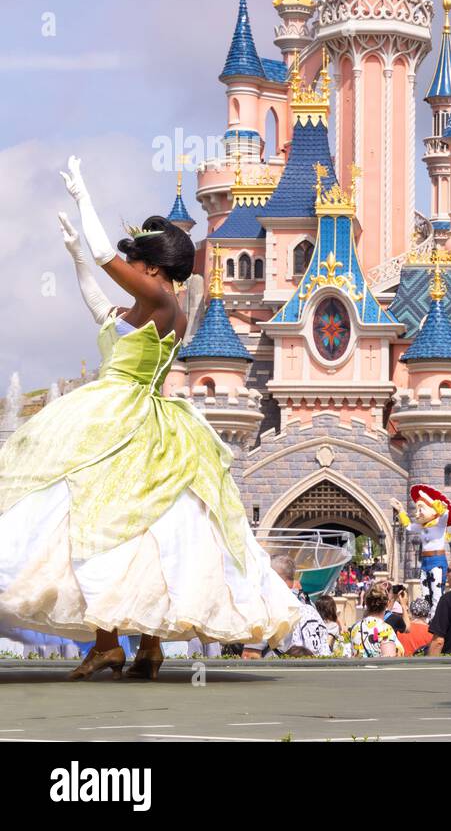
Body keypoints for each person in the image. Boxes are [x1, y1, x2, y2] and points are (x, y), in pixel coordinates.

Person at [0, 158, 302, 681]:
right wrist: (73, 258)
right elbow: (101, 310)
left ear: (155, 270)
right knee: (147, 532)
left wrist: (82, 195)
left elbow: (103, 256)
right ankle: (140, 646)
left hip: (119, 415)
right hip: (139, 419)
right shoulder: (155, 306)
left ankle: (117, 643)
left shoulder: (163, 299)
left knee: (103, 522)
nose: (130, 269)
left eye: (136, 262)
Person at [268, 554, 330, 657]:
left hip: (288, 670)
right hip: (319, 667)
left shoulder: (274, 609)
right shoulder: (311, 608)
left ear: (274, 577)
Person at [347, 584, 404, 658]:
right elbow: (389, 661)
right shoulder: (385, 630)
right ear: (387, 604)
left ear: (367, 603)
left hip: (359, 668)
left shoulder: (355, 627)